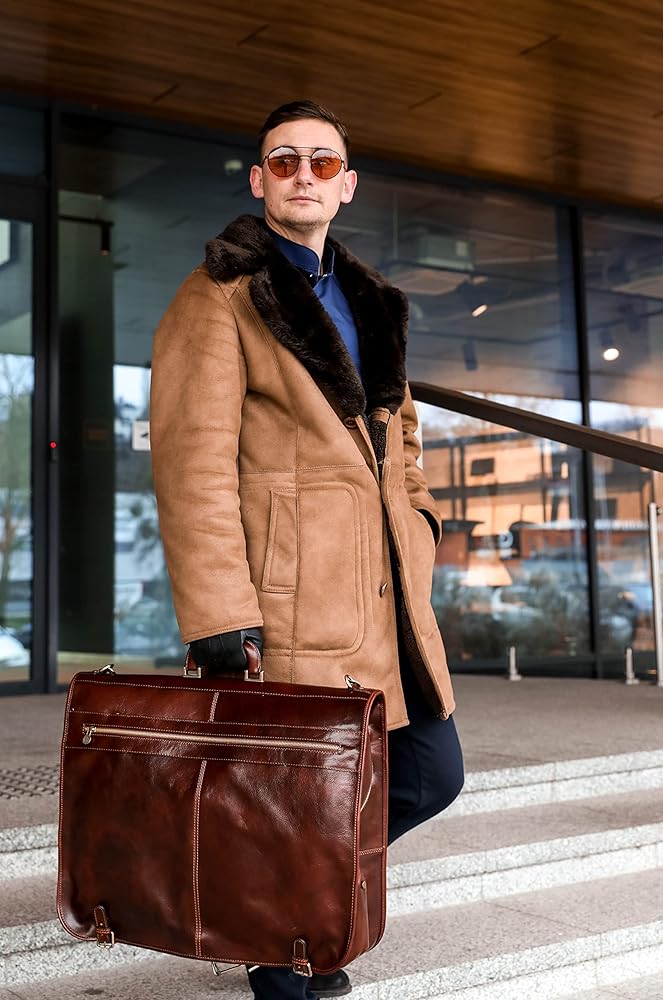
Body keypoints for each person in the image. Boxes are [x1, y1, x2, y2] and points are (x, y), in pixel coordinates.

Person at [150, 100, 464, 1000]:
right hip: (289, 601)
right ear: (259, 180)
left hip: (384, 596)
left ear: (346, 185)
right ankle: (282, 950)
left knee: (431, 773)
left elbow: (403, 441)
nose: (303, 175)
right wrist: (220, 614)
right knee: (292, 799)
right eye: (284, 160)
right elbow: (191, 464)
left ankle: (280, 909)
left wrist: (420, 524)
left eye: (322, 163)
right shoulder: (218, 297)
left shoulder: (372, 302)